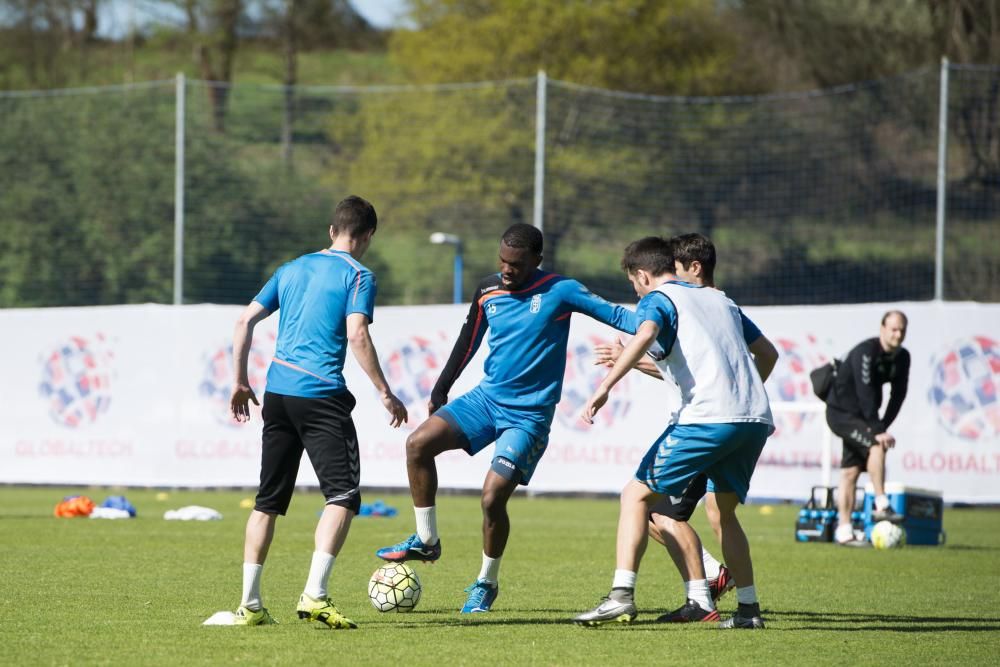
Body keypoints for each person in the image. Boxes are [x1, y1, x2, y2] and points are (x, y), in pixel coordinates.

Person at [375, 223, 638, 614]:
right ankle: (426, 540)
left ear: (537, 260)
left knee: (492, 497)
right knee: (417, 444)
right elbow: (468, 339)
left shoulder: (561, 291)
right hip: (485, 400)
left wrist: (660, 321)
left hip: (528, 416)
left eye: (515, 263)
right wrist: (440, 388)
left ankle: (486, 582)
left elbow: (618, 315)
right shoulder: (487, 290)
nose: (506, 269)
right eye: (501, 259)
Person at [222, 195, 408, 628]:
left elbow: (243, 322)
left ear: (331, 230)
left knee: (267, 502)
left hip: (278, 395)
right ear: (368, 236)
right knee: (342, 496)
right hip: (321, 396)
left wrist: (239, 380)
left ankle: (249, 606)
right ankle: (314, 596)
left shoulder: (290, 269)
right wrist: (384, 391)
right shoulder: (359, 275)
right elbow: (357, 335)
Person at [572, 235, 774, 630]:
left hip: (706, 420)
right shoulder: (721, 299)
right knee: (725, 515)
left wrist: (604, 386)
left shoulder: (658, 298)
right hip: (753, 419)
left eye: (634, 283)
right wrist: (740, 400)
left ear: (643, 276)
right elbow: (768, 354)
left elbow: (644, 334)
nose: (636, 290)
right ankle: (748, 611)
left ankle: (620, 596)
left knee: (635, 495)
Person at [826, 310, 910, 545]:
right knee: (876, 444)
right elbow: (865, 394)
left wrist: (882, 425)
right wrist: (877, 430)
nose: (898, 334)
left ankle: (844, 531)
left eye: (902, 329)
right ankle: (881, 503)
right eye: (894, 329)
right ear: (882, 328)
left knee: (850, 472)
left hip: (863, 419)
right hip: (841, 413)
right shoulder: (866, 351)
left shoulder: (903, 357)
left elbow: (898, 396)